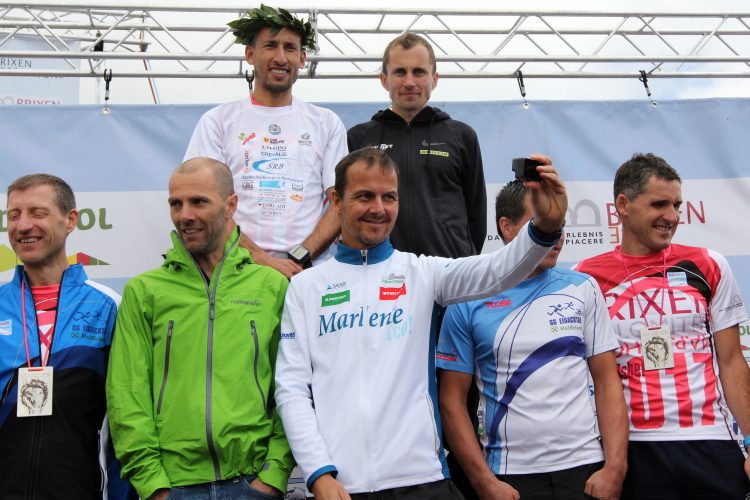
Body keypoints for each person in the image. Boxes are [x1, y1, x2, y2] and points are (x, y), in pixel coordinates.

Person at [275, 148, 567, 500]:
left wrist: (545, 228)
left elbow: (498, 271)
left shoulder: (423, 274)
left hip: (422, 480)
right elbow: (291, 389)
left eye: (389, 197)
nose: (379, 208)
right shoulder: (305, 287)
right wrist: (318, 473)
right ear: (336, 200)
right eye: (364, 196)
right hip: (339, 487)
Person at [106, 158, 294, 500]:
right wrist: (153, 486)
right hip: (172, 486)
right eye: (175, 204)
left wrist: (274, 473)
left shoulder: (271, 286)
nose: (185, 215)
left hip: (252, 482)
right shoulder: (144, 291)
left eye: (198, 202)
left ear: (230, 205)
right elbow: (126, 392)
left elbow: (291, 386)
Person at [574, 153, 750, 499]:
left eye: (677, 205)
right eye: (659, 204)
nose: (672, 216)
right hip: (632, 446)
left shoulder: (709, 263)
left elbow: (732, 362)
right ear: (623, 205)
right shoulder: (585, 276)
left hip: (710, 438)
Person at [438, 180, 628, 500]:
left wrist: (615, 468)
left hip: (585, 469)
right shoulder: (468, 298)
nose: (556, 235)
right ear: (507, 227)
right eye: (542, 223)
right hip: (509, 476)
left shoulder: (583, 287)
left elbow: (608, 381)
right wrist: (485, 483)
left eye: (560, 225)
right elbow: (451, 401)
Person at [185, 5, 348, 279]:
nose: (280, 57)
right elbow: (203, 203)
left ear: (302, 58)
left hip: (306, 274)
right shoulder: (218, 121)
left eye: (290, 48)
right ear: (250, 54)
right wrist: (262, 260)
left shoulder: (326, 122)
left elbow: (341, 202)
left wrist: (299, 260)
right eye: (270, 46)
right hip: (234, 272)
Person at [0, 174, 123, 498]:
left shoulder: (108, 306)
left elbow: (128, 418)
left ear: (70, 220)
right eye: (13, 215)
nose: (23, 225)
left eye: (37, 213)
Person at [347, 32, 486, 259]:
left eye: (419, 72)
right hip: (380, 269)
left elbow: (476, 216)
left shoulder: (462, 136)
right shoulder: (359, 138)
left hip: (448, 269)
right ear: (384, 80)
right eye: (400, 72)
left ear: (434, 79)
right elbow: (347, 211)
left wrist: (462, 259)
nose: (409, 82)